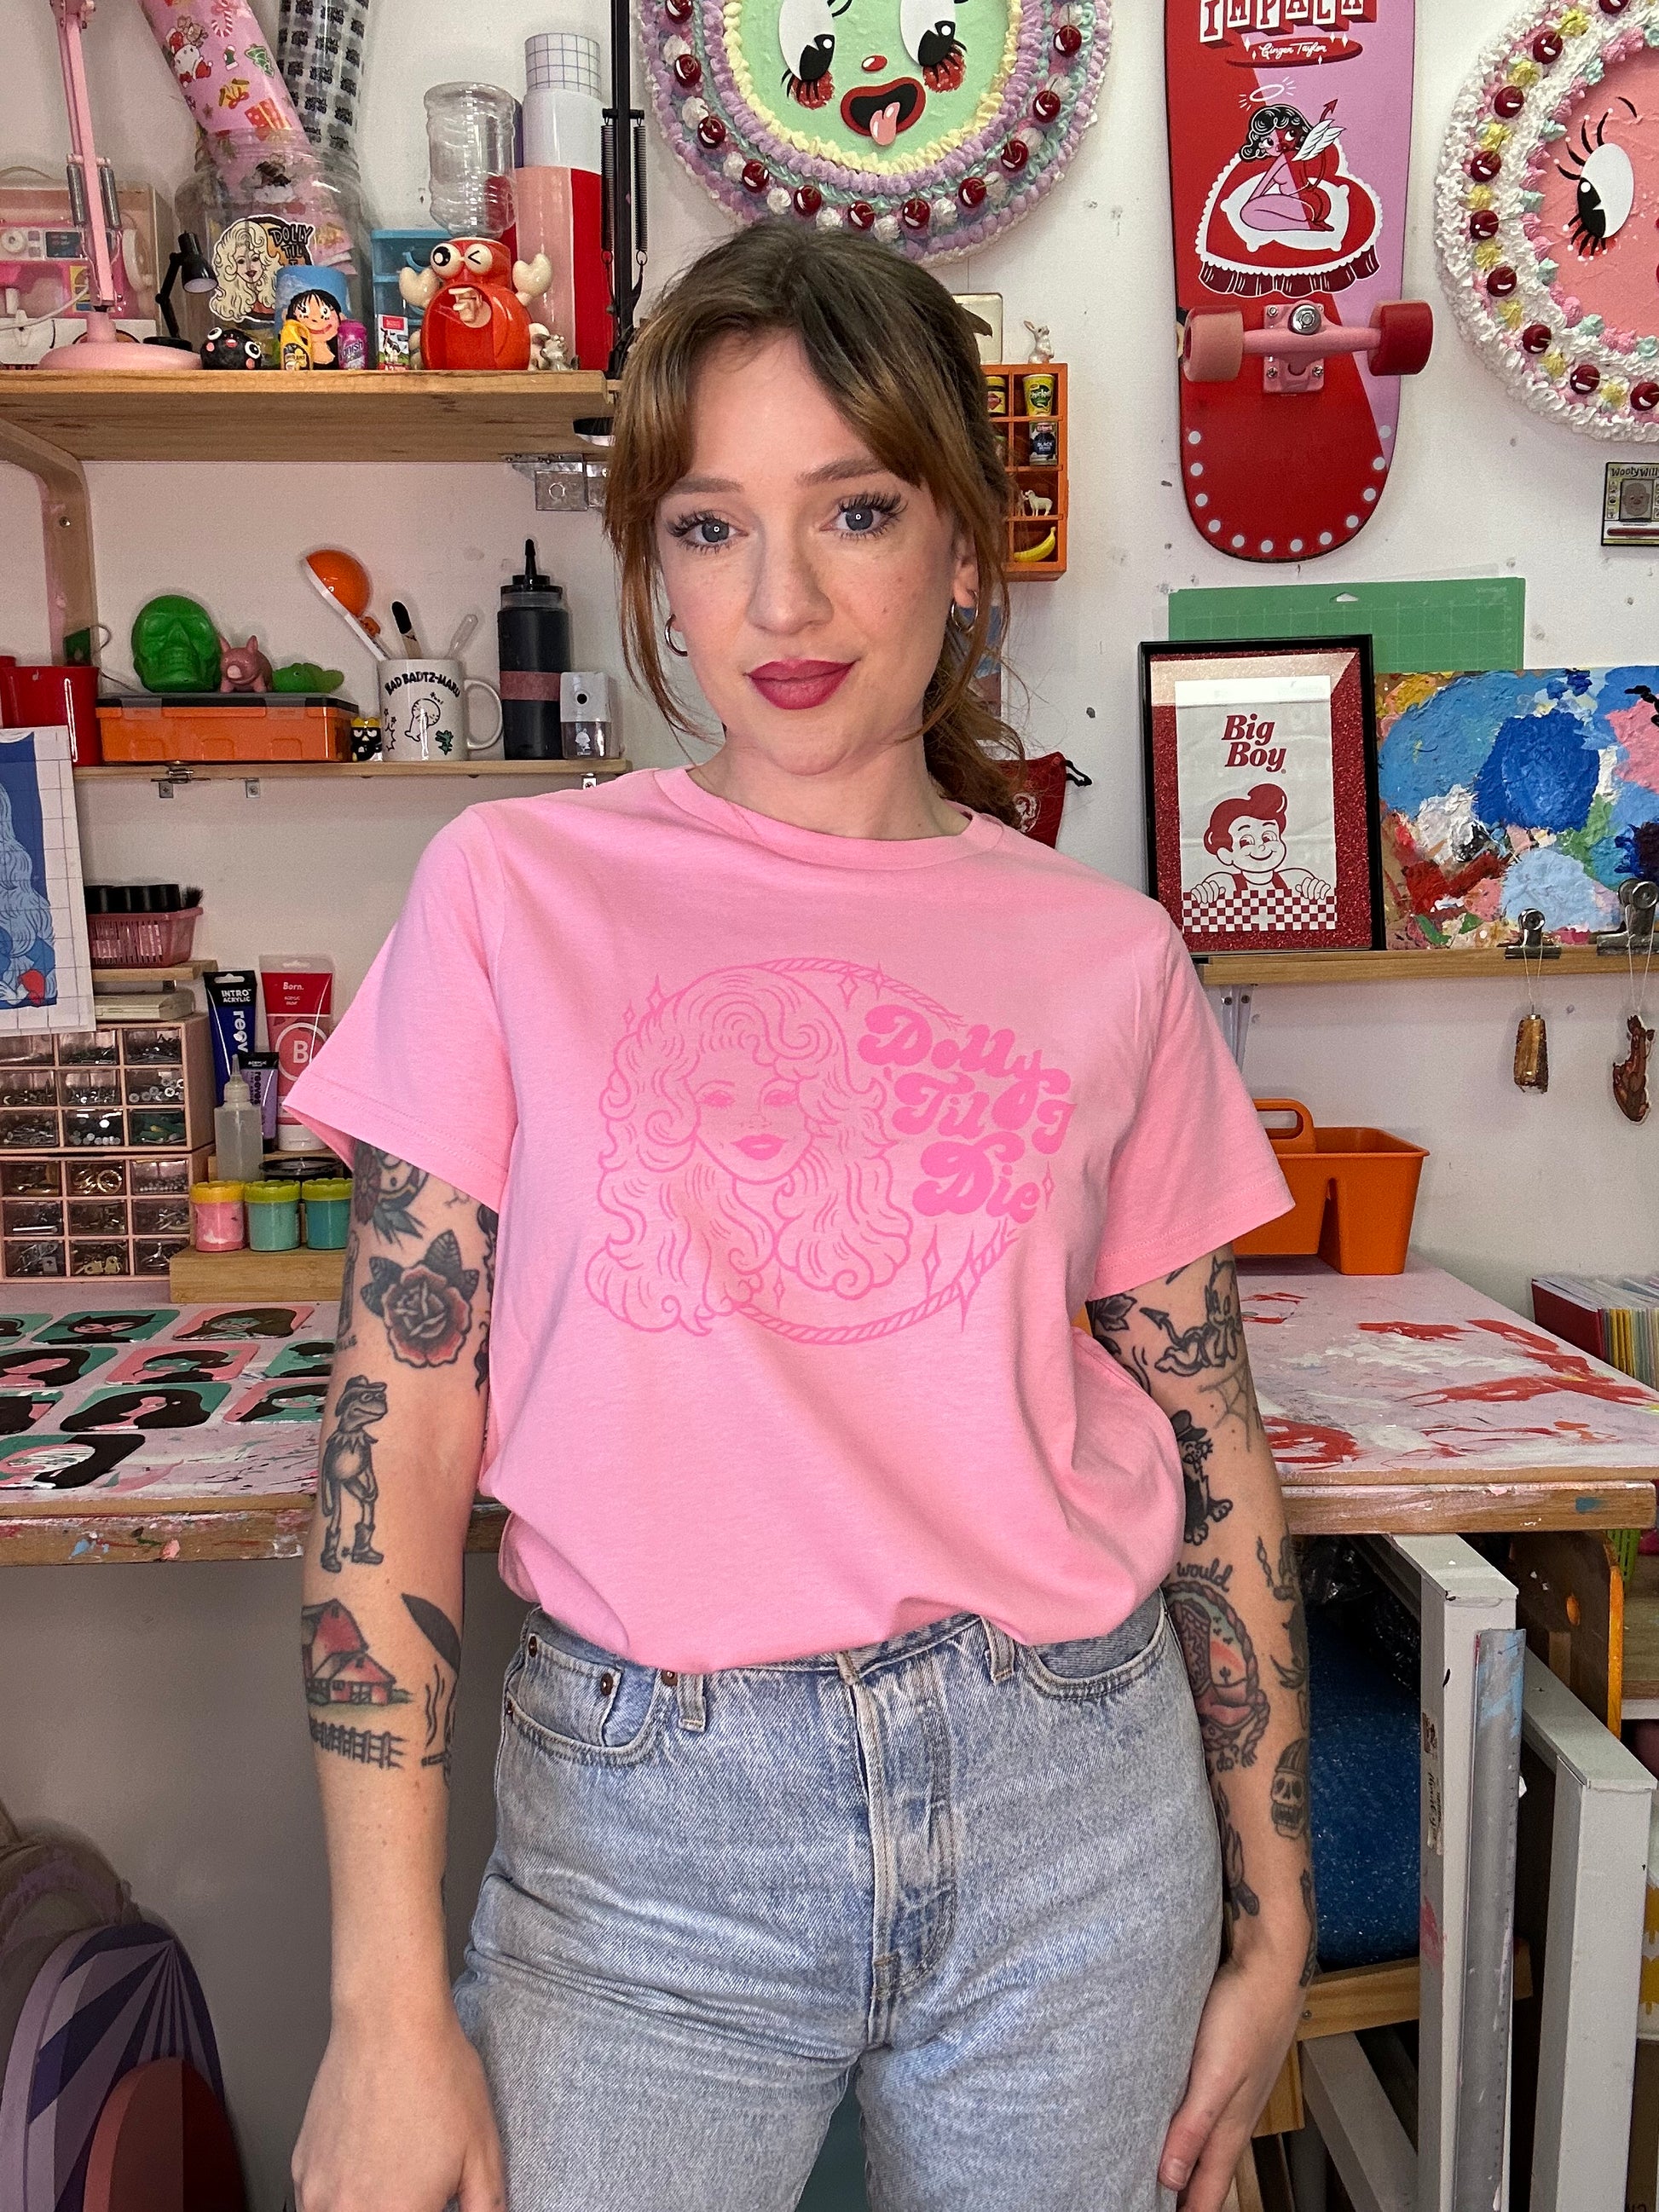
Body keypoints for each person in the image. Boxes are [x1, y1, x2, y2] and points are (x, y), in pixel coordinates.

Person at [287, 222, 1310, 2212]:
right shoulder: (511, 891)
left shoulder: (1110, 959)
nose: (779, 601)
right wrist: (383, 2002)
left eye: (852, 509)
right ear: (652, 564)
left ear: (964, 543)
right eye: (707, 526)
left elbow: (1209, 1439)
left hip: (1070, 1807)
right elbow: (393, 1430)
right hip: (645, 1838)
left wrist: (1272, 1921)